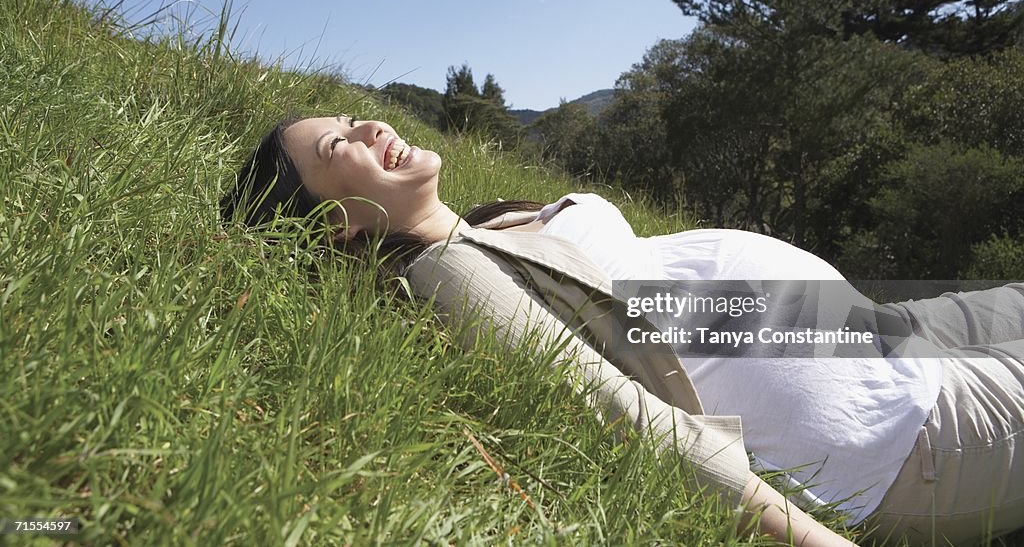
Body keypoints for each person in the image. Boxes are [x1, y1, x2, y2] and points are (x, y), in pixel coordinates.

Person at [221, 115, 1024, 546]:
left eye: (355, 118)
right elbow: (629, 423)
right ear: (336, 229)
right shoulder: (446, 272)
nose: (367, 129)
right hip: (915, 436)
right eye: (339, 146)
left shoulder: (481, 226)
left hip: (877, 334)